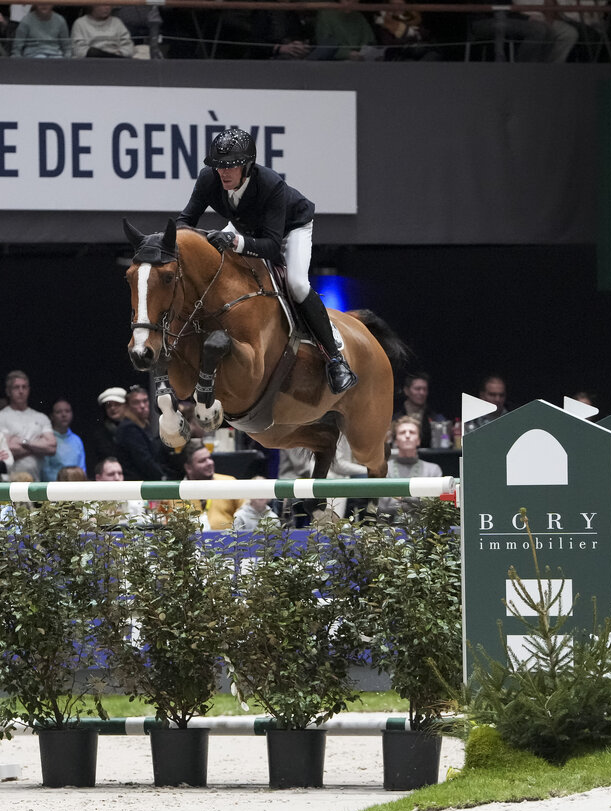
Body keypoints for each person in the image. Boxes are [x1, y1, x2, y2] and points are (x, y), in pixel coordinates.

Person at [177, 127, 356, 394]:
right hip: (245, 226)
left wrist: (234, 242)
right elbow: (184, 222)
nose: (223, 172)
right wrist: (195, 240)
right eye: (218, 166)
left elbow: (272, 248)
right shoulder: (208, 179)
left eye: (231, 167)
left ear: (247, 166)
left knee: (296, 284)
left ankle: (335, 359)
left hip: (289, 229)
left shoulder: (270, 184)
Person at [0, 371, 56, 481]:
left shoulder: (41, 417)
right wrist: (38, 446)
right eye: (16, 387)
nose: (21, 391)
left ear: (29, 390)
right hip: (8, 483)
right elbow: (7, 449)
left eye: (24, 387)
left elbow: (51, 447)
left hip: (36, 482)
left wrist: (24, 443)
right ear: (8, 391)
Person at [377, 416, 443, 519]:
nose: (407, 436)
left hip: (425, 531)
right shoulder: (384, 469)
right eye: (402, 432)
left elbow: (433, 507)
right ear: (396, 441)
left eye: (412, 432)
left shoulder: (433, 470)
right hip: (390, 530)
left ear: (418, 440)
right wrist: (417, 499)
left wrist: (400, 498)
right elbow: (383, 508)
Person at [180, 440, 243, 530]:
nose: (209, 463)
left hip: (227, 541)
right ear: (188, 467)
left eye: (209, 458)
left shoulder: (230, 482)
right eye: (202, 461)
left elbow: (246, 513)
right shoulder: (176, 493)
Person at [41, 398, 86, 482]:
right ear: (52, 416)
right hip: (54, 488)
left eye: (67, 411)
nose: (64, 415)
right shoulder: (47, 440)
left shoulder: (77, 440)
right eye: (59, 412)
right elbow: (45, 471)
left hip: (76, 488)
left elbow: (82, 469)